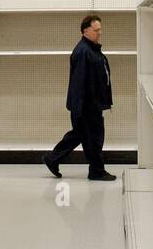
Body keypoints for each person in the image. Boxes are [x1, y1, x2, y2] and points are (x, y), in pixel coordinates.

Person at [44, 14, 116, 181]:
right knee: (95, 138)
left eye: (100, 30)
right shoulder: (83, 52)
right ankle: (96, 170)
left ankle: (52, 158)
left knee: (80, 135)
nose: (100, 33)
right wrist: (78, 109)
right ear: (85, 31)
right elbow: (78, 82)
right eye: (96, 30)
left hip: (92, 104)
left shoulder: (91, 49)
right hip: (87, 106)